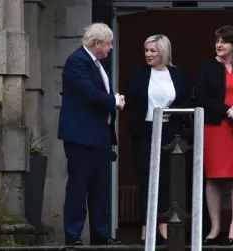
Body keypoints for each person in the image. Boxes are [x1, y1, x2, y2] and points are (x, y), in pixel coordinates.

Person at [58, 22, 124, 246]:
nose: (111, 48)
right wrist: (114, 101)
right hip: (81, 136)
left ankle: (100, 234)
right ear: (96, 43)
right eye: (108, 43)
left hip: (99, 134)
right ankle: (73, 234)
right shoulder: (77, 61)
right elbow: (90, 94)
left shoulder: (94, 63)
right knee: (79, 185)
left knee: (100, 187)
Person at [124, 34, 190, 245]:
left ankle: (163, 224)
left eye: (153, 50)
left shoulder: (178, 75)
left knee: (168, 180)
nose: (149, 55)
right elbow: (132, 100)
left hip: (170, 132)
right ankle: (146, 225)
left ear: (163, 51)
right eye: (146, 51)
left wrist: (172, 111)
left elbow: (186, 101)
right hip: (145, 132)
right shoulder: (139, 73)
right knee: (146, 179)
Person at [194, 26, 233, 245]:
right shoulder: (206, 67)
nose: (219, 45)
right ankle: (215, 227)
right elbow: (201, 96)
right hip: (214, 127)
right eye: (217, 41)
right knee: (213, 178)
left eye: (225, 42)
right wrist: (227, 110)